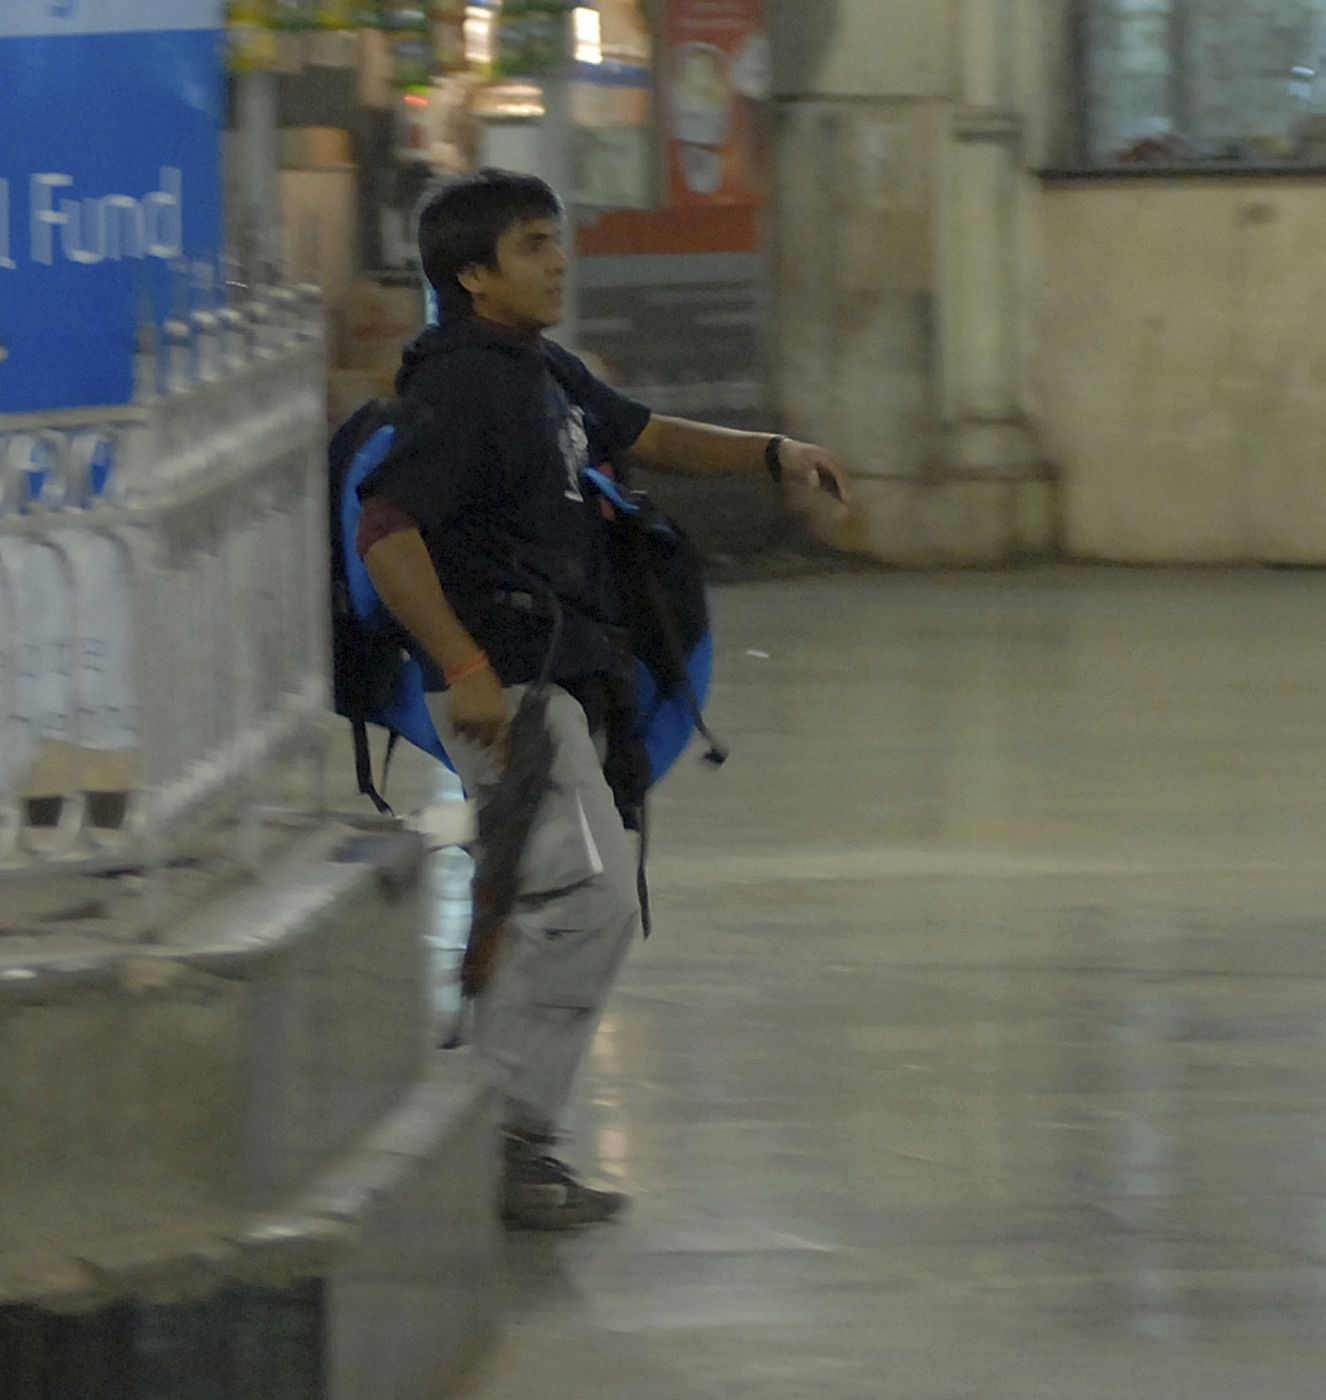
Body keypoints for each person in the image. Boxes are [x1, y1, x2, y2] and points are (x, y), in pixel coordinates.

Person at [357, 168, 851, 1231]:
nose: (559, 260)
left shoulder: (537, 369)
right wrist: (465, 667)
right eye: (535, 245)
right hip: (509, 683)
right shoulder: (463, 385)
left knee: (549, 900)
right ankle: (503, 1139)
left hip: (552, 676)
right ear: (476, 274)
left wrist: (772, 452)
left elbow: (646, 435)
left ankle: (489, 1129)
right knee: (586, 901)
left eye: (555, 239)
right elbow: (385, 530)